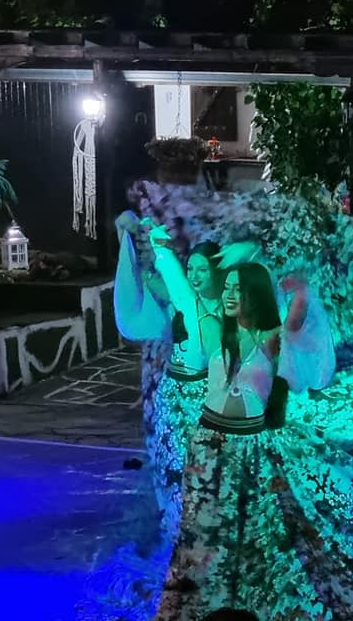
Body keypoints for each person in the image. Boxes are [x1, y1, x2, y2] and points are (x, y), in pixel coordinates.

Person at [152, 227, 336, 620]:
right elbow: (183, 293)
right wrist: (162, 253)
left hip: (248, 448)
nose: (230, 294)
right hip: (207, 445)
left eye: (238, 288)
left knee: (248, 532)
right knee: (201, 531)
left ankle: (243, 607)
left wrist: (260, 261)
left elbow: (298, 312)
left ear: (254, 292)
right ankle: (199, 607)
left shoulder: (274, 339)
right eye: (228, 287)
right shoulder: (215, 327)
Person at [114, 211, 225, 540]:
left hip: (202, 401)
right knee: (170, 462)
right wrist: (133, 241)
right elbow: (154, 281)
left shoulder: (217, 308)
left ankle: (200, 528)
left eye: (203, 270)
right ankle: (176, 525)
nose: (196, 276)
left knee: (201, 467)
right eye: (192, 269)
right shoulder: (183, 299)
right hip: (171, 395)